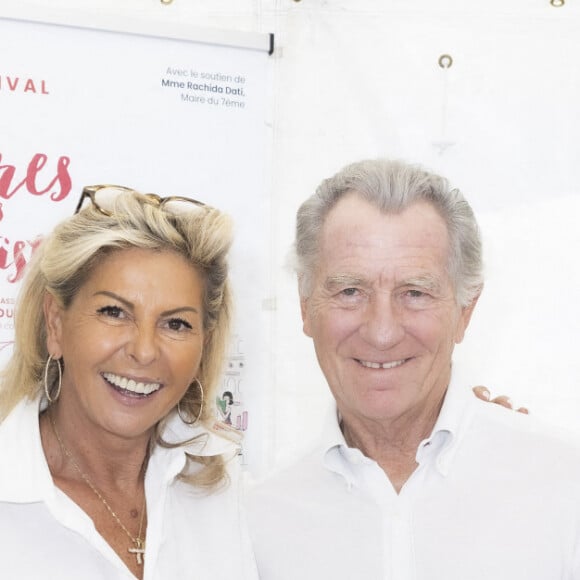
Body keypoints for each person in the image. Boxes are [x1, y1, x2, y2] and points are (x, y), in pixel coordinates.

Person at [247, 159, 580, 579]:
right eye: (350, 291)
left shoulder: (565, 487)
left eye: (415, 293)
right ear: (304, 307)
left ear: (465, 311)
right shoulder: (257, 523)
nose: (382, 332)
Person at [0, 185, 257, 579]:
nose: (144, 351)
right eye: (114, 312)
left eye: (176, 323)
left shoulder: (228, 493)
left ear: (204, 345)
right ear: (55, 322)